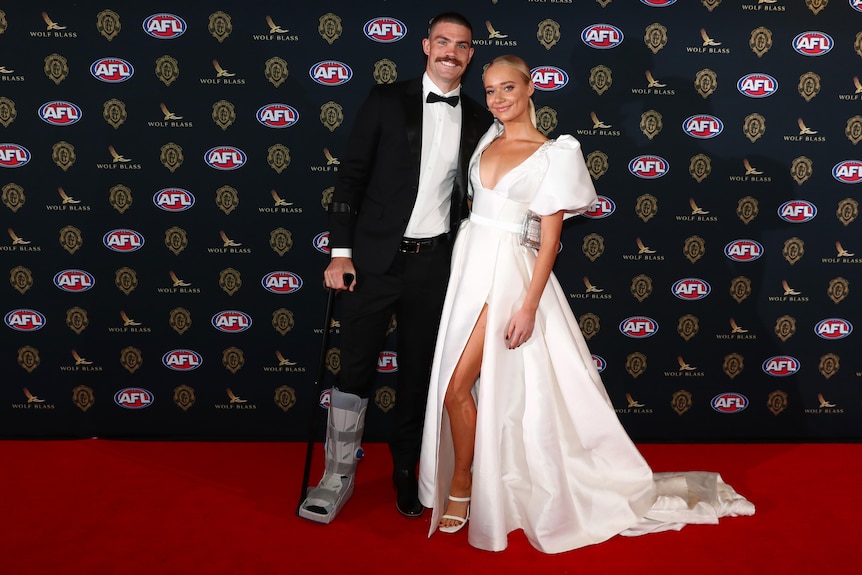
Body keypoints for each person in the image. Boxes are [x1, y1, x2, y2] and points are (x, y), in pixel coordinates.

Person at [417, 55, 754, 553]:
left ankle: (463, 487)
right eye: (489, 91)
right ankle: (474, 480)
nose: (498, 100)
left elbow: (549, 240)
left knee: (456, 389)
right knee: (467, 388)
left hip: (509, 278)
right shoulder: (486, 139)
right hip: (469, 270)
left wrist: (529, 305)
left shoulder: (554, 153)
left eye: (508, 88)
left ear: (531, 88)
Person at [298, 12, 493, 524]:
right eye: (443, 41)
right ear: (427, 46)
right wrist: (341, 253)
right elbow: (350, 179)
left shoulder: (479, 117)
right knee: (354, 369)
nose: (452, 51)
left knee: (419, 376)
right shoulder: (386, 100)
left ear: (471, 55)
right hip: (372, 264)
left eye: (463, 45)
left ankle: (408, 469)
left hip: (435, 269)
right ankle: (336, 473)